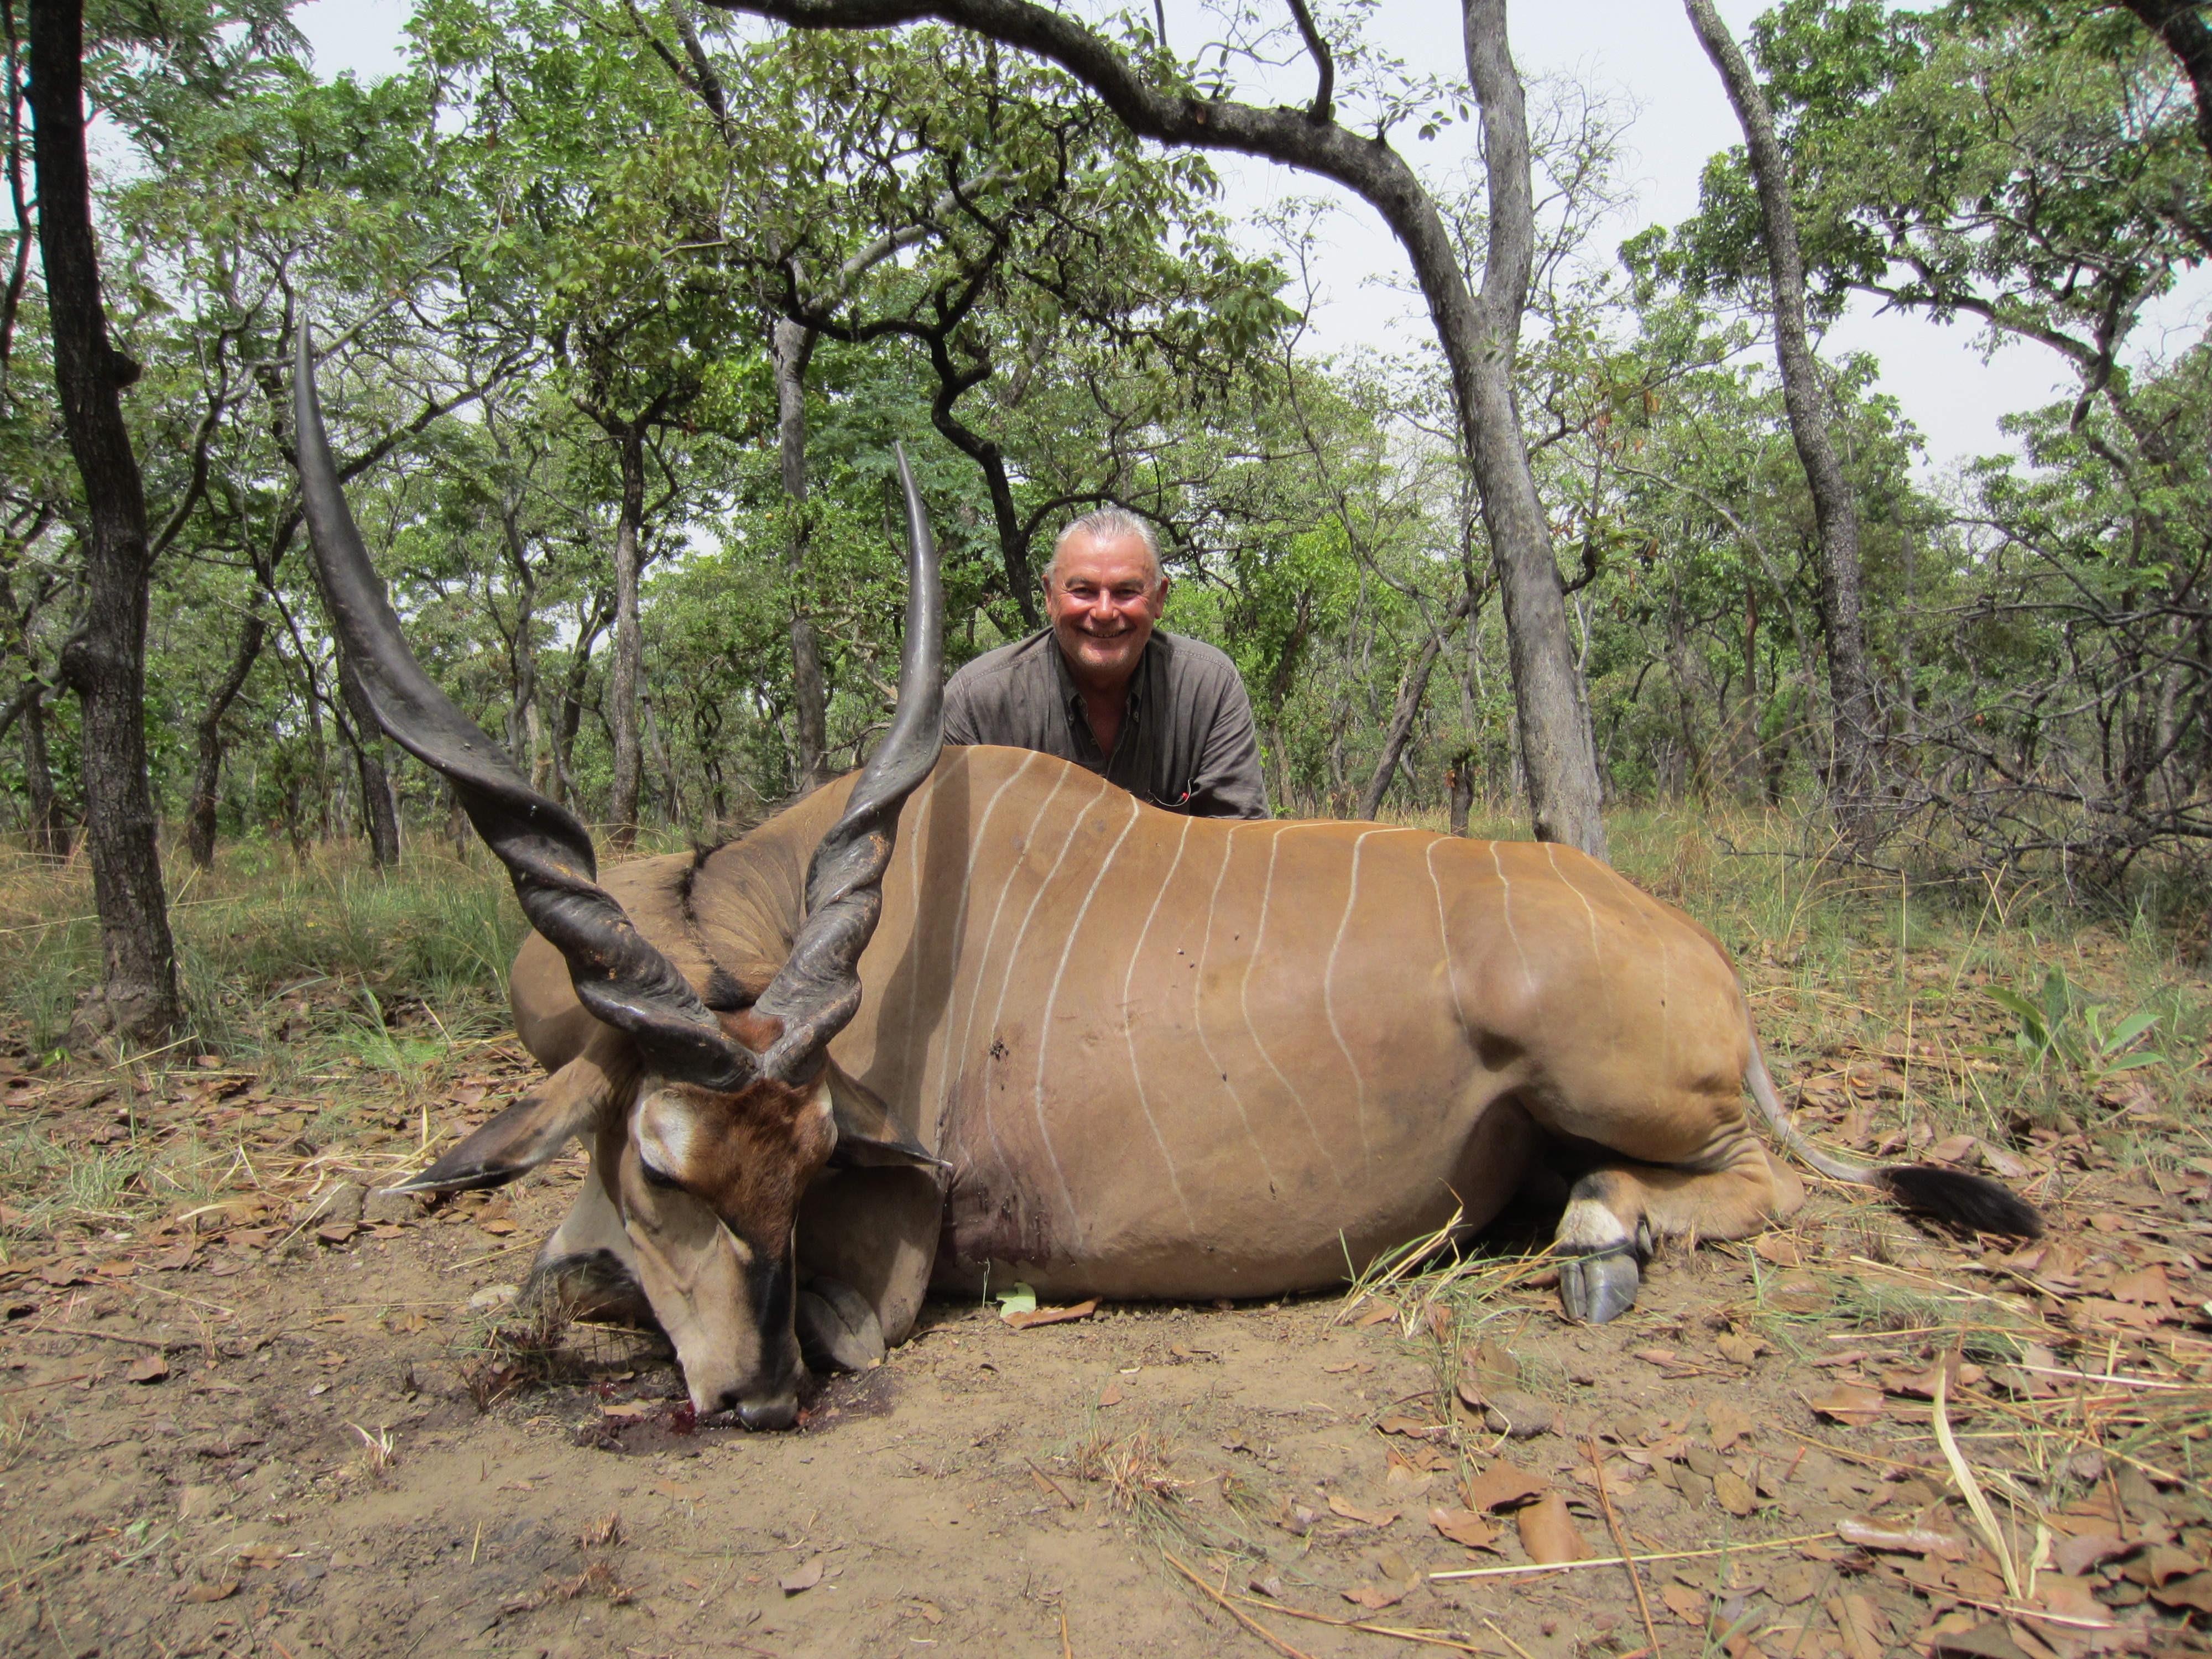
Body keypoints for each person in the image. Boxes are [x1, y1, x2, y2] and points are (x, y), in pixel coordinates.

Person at [942, 509, 1270, 818]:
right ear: (1049, 596)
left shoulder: (1209, 689)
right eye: (1083, 590)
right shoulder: (976, 702)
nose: (1103, 612)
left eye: (1126, 592)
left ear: (1159, 598)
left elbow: (1241, 844)